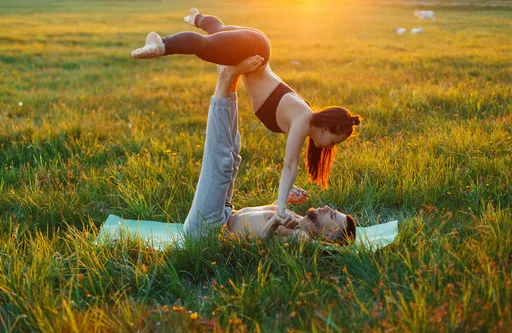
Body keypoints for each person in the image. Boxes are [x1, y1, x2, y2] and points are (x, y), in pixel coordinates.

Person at [132, 9, 362, 222]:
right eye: (333, 141)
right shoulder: (303, 119)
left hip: (256, 45)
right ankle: (161, 44)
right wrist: (281, 208)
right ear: (327, 128)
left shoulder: (302, 114)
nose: (328, 147)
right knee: (205, 47)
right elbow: (290, 165)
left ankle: (197, 18)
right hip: (254, 48)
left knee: (217, 32)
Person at [182, 56, 355, 244]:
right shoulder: (294, 218)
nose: (329, 208)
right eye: (334, 211)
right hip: (224, 212)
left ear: (329, 235)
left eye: (333, 216)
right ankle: (228, 79)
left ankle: (225, 80)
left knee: (222, 163)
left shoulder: (301, 237)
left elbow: (261, 241)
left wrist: (273, 223)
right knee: (233, 157)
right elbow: (259, 219)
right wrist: (282, 202)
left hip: (207, 230)